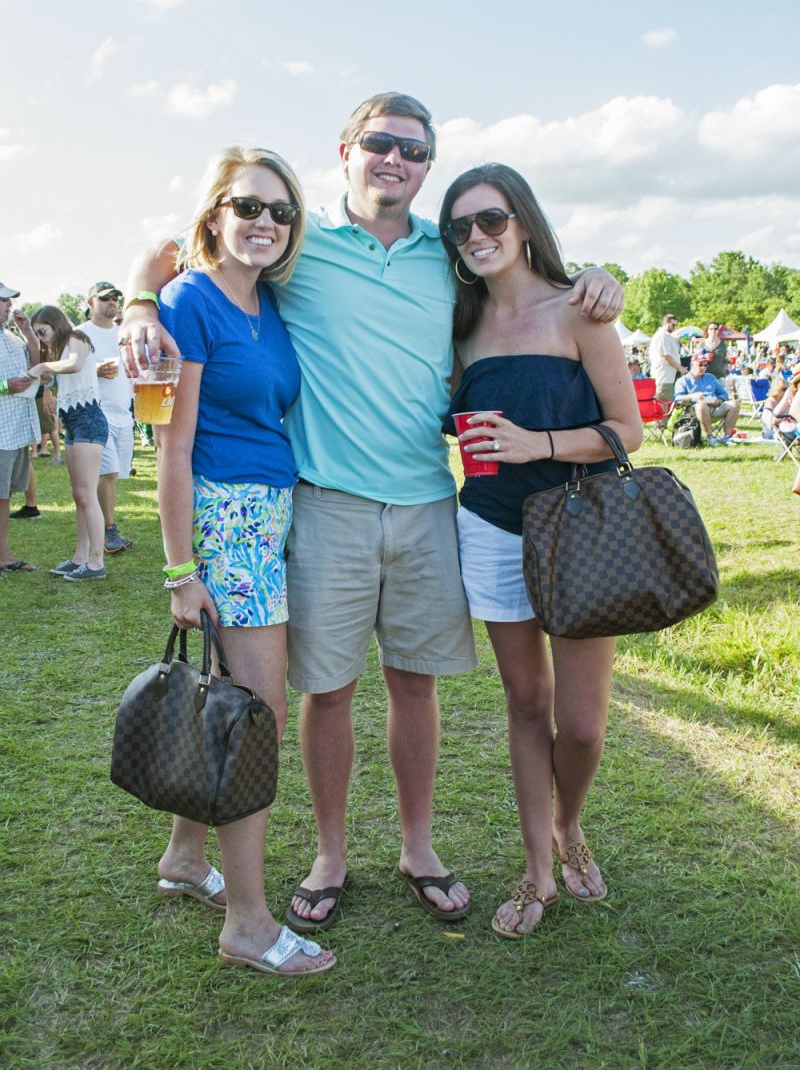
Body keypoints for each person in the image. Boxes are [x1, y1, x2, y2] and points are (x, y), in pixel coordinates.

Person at [120, 92, 625, 932]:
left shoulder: (451, 254)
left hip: (430, 500)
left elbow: (526, 280)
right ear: (347, 150)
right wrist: (139, 300)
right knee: (327, 690)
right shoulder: (298, 241)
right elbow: (176, 254)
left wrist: (597, 276)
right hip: (326, 504)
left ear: (427, 165)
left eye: (414, 150)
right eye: (381, 144)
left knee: (414, 685)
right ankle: (329, 852)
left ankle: (418, 846)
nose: (396, 160)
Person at [439, 164, 642, 938]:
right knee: (526, 704)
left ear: (523, 222)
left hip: (582, 528)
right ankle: (533, 871)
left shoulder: (580, 310)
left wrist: (540, 444)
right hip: (490, 529)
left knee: (583, 723)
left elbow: (628, 428)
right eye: (460, 229)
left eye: (490, 220)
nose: (477, 238)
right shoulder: (460, 329)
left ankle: (569, 827)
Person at [152, 145, 334, 977]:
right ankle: (251, 925)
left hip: (272, 512)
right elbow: (173, 446)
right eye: (249, 206)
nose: (266, 222)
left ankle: (188, 859)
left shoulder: (266, 300)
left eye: (281, 211)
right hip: (227, 518)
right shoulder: (191, 299)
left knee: (230, 705)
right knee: (254, 716)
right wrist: (179, 570)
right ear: (215, 215)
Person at [29, 307, 110, 579]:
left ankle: (96, 563)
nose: (41, 338)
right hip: (74, 421)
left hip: (88, 419)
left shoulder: (77, 337)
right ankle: (80, 558)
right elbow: (70, 373)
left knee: (86, 495)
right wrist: (49, 377)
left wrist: (44, 366)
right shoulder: (60, 348)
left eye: (43, 331)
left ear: (55, 324)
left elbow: (75, 364)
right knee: (80, 496)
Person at [82, 281, 135, 554]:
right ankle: (108, 531)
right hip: (96, 412)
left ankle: (103, 527)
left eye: (115, 298)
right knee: (109, 471)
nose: (112, 302)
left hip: (124, 413)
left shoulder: (124, 332)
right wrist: (94, 369)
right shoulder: (80, 334)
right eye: (105, 298)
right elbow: (65, 370)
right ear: (90, 302)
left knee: (116, 474)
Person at [0, 283, 41, 572]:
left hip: (16, 429)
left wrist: (27, 332)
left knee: (6, 496)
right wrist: (5, 386)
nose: (9, 306)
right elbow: (10, 383)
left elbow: (36, 367)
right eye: (3, 301)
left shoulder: (13, 338)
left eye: (9, 301)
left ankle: (4, 554)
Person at [673, 352, 740, 446]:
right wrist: (692, 396)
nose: (703, 368)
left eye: (705, 365)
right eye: (700, 365)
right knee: (701, 406)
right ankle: (710, 437)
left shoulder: (711, 377)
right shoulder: (683, 380)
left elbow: (723, 393)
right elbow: (677, 398)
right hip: (694, 411)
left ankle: (726, 437)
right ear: (692, 364)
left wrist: (719, 400)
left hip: (714, 406)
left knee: (734, 404)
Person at [647, 314, 685, 403]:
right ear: (666, 323)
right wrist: (680, 368)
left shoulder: (666, 336)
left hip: (666, 377)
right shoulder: (662, 336)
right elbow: (666, 357)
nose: (674, 327)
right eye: (673, 325)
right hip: (663, 377)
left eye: (675, 325)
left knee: (665, 404)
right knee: (663, 405)